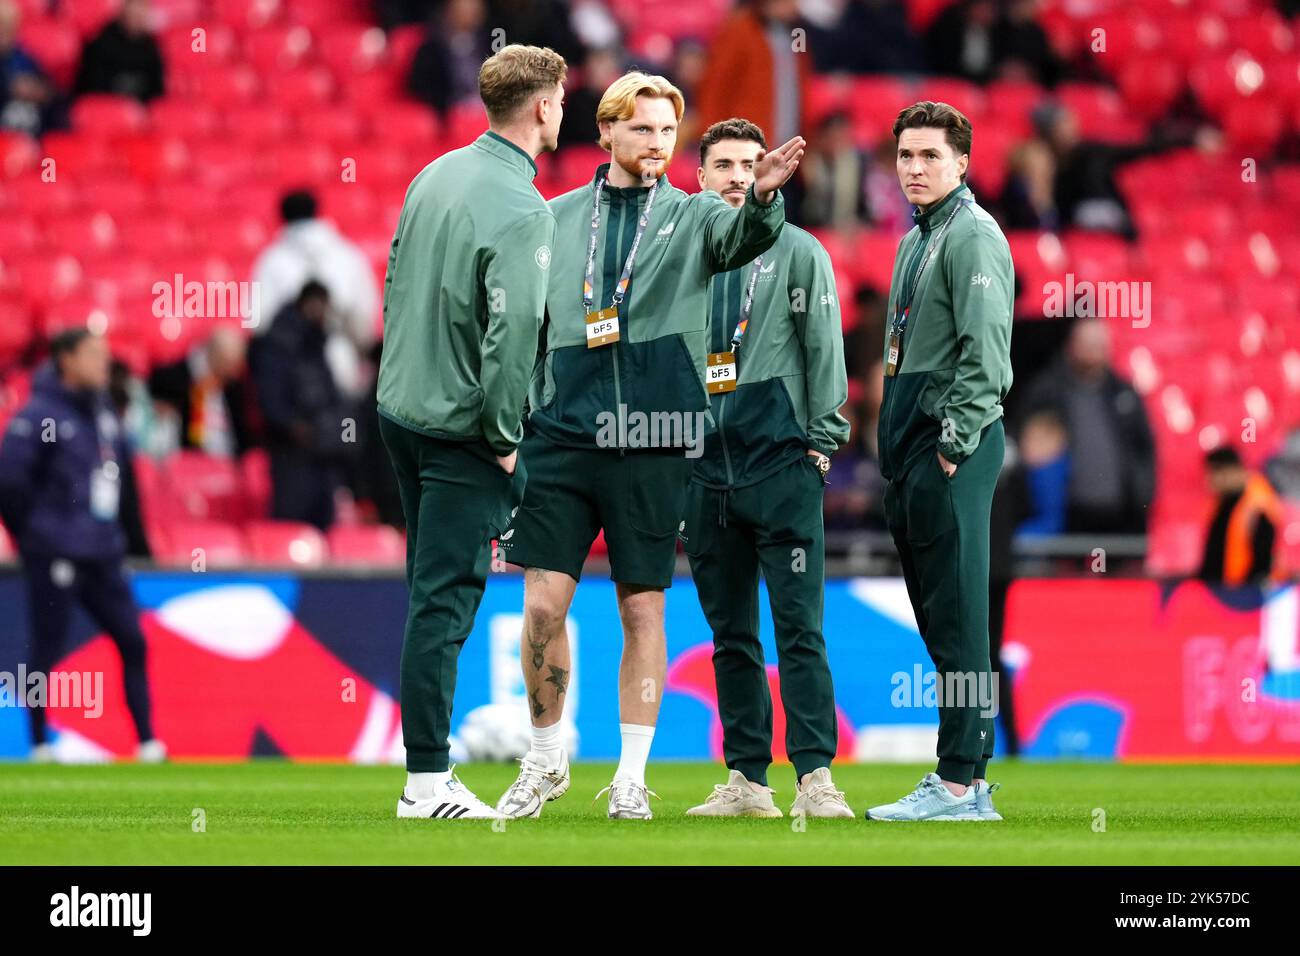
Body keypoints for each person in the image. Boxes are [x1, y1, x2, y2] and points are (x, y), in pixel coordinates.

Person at [493, 72, 802, 821]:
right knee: (541, 605)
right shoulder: (556, 216)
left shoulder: (699, 217)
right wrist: (513, 418)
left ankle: (630, 774)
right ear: (607, 133)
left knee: (643, 611)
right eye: (641, 129)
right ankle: (544, 761)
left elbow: (745, 236)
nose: (656, 143)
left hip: (657, 438)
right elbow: (522, 322)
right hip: (563, 434)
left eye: (667, 131)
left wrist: (761, 197)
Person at [377, 44, 566, 820]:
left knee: (428, 592)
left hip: (401, 410)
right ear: (543, 107)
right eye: (560, 99)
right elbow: (514, 328)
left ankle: (425, 771)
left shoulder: (435, 174)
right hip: (463, 429)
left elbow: (394, 274)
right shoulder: (524, 206)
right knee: (445, 602)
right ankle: (425, 782)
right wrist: (503, 432)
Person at [675, 118, 852, 819]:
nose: (738, 176)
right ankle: (748, 780)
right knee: (731, 637)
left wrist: (821, 446)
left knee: (799, 629)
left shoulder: (800, 253)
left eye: (750, 163)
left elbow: (826, 356)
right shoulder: (680, 255)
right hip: (701, 471)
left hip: (781, 467)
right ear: (699, 176)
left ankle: (815, 777)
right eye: (723, 164)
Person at [869, 101, 1013, 822]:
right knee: (943, 620)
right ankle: (970, 777)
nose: (915, 168)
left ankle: (957, 782)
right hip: (915, 450)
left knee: (959, 618)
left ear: (963, 162)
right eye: (905, 156)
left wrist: (954, 442)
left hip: (949, 446)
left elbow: (985, 353)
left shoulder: (972, 235)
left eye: (930, 156)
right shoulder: (918, 238)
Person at [0, 330, 165, 763]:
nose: (103, 363)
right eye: (93, 355)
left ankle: (148, 742)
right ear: (65, 359)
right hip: (55, 551)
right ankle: (37, 744)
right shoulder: (38, 416)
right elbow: (9, 482)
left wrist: (134, 542)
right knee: (47, 647)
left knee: (132, 639)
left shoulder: (105, 412)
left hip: (102, 551)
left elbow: (124, 483)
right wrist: (34, 537)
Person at [1020, 317, 1155, 535]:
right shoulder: (1047, 391)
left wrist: (1142, 496)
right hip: (1064, 519)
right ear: (1072, 344)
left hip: (1120, 518)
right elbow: (1029, 445)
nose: (1093, 351)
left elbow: (1145, 448)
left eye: (1099, 344)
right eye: (1087, 343)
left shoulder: (1124, 394)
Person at [250, 189, 380, 399]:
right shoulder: (348, 253)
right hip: (345, 362)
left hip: (294, 375)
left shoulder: (270, 260)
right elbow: (368, 309)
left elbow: (259, 322)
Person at [254, 281, 345, 531]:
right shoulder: (278, 343)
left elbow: (329, 394)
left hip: (322, 453)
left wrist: (336, 430)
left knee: (324, 529)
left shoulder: (317, 344)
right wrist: (294, 426)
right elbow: (271, 400)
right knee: (290, 528)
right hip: (291, 456)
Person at [147, 326, 253, 458]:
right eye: (229, 364)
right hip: (189, 463)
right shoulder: (172, 378)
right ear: (214, 355)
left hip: (228, 462)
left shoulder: (233, 387)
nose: (234, 372)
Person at [1198, 446, 1285, 588]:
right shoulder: (1222, 503)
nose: (1210, 480)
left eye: (1214, 473)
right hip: (1223, 591)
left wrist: (1250, 589)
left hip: (1247, 594)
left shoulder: (1257, 505)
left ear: (1231, 471)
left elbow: (1264, 557)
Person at [73, 0, 165, 103]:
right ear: (123, 11)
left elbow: (157, 91)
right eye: (134, 9)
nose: (137, 14)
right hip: (105, 106)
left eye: (142, 9)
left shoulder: (151, 47)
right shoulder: (100, 42)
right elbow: (91, 86)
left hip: (139, 109)